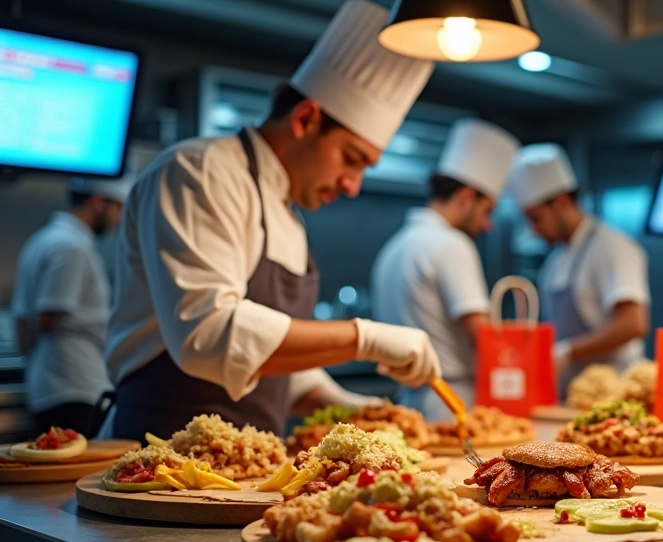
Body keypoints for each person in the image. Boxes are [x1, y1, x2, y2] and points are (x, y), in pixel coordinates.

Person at [102, 0, 441, 439]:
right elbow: (208, 334)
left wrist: (352, 406)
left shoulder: (289, 216)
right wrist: (364, 338)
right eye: (351, 159)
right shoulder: (199, 172)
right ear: (305, 119)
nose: (353, 186)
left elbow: (269, 364)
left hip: (252, 459)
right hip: (159, 452)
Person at [370, 119, 519, 421]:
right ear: (466, 197)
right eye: (487, 210)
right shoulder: (452, 244)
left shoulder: (395, 246)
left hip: (410, 399)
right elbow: (482, 333)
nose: (487, 224)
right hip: (452, 400)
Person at [507, 143, 650, 392]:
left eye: (536, 218)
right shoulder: (556, 260)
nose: (534, 230)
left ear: (561, 202)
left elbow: (633, 323)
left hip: (614, 391)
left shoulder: (612, 247)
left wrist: (568, 351)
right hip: (571, 391)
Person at [12, 177, 130, 436]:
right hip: (74, 385)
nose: (119, 219)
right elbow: (47, 317)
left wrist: (34, 368)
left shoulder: (42, 239)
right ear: (98, 201)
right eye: (118, 208)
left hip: (53, 383)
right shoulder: (71, 247)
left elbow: (22, 320)